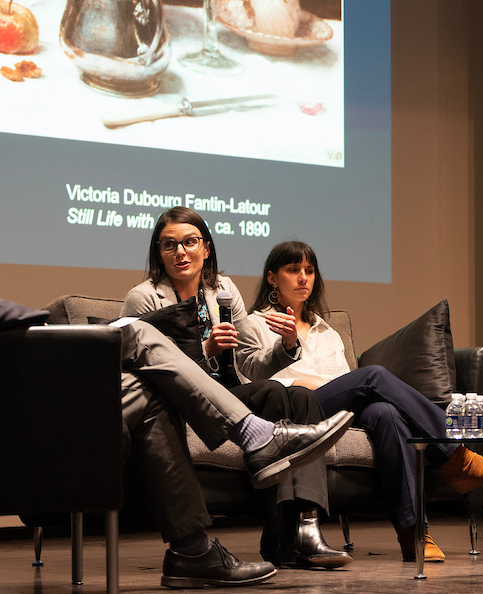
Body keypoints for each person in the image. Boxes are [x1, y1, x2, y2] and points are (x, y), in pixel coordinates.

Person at [0, 154, 353, 588]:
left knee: (144, 390)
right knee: (132, 331)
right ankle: (252, 437)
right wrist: (39, 323)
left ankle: (194, 548)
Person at [245, 240, 483, 563]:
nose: (304, 277)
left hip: (337, 409)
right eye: (293, 270)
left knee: (386, 413)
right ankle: (457, 456)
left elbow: (347, 383)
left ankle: (413, 534)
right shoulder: (256, 324)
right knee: (372, 376)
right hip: (295, 408)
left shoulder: (326, 331)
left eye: (309, 270)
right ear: (273, 278)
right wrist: (314, 383)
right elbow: (256, 382)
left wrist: (342, 386)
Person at [122, 207, 352, 569]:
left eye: (190, 242)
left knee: (302, 397)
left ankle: (305, 531)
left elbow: (250, 363)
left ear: (206, 249)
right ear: (159, 253)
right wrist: (205, 351)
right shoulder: (145, 298)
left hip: (231, 391)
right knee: (276, 394)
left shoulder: (223, 290)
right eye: (169, 245)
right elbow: (150, 371)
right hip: (181, 401)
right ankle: (279, 534)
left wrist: (287, 346)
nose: (181, 252)